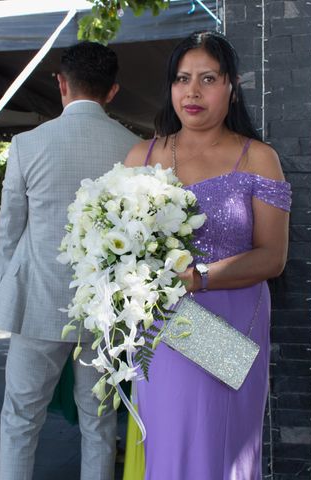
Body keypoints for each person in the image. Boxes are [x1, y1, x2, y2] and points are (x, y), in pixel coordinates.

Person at [124, 31, 291, 479]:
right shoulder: (143, 156)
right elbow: (117, 247)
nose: (192, 91)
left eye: (207, 78)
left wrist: (197, 277)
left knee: (221, 447)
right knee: (169, 445)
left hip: (231, 327)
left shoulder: (257, 158)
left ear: (231, 86)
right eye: (182, 79)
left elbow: (273, 257)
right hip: (161, 330)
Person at [0, 41, 140, 480]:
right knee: (99, 422)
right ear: (112, 91)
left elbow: (11, 230)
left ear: (60, 83)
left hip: (37, 301)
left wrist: (8, 293)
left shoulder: (26, 144)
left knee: (20, 419)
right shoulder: (133, 148)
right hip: (105, 307)